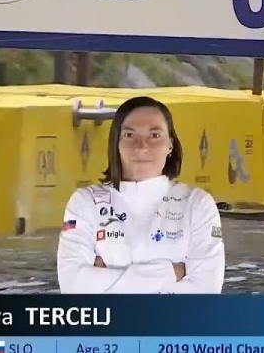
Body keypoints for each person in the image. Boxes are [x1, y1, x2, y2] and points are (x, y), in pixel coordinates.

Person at [57, 96, 225, 294]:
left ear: (170, 145)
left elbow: (206, 291)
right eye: (129, 135)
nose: (142, 147)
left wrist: (106, 282)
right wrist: (171, 273)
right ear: (116, 143)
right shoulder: (85, 202)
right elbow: (72, 287)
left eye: (154, 135)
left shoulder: (197, 204)